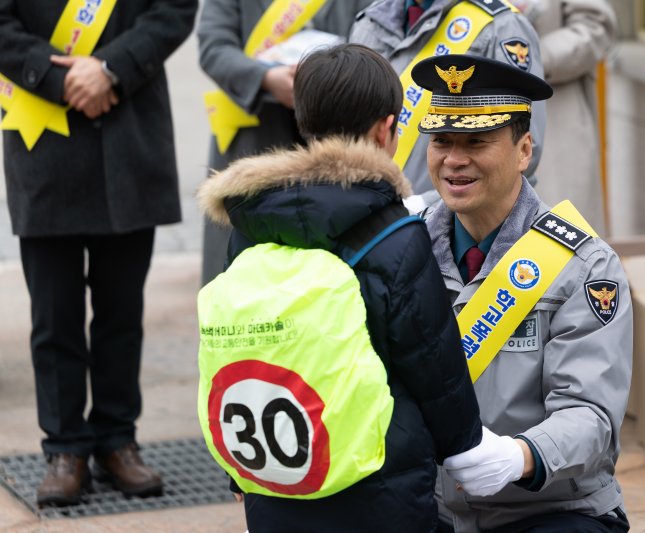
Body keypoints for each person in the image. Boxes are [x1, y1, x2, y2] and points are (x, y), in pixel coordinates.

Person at [196, 43, 482, 532]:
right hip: (378, 480)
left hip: (279, 474)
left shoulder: (251, 222)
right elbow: (432, 359)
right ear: (386, 130)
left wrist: (239, 472)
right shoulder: (394, 232)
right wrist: (463, 443)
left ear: (302, 122)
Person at [411, 54, 632, 532]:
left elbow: (590, 414)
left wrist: (521, 456)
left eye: (477, 141)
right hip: (432, 508)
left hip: (546, 508)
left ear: (524, 150)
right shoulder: (406, 248)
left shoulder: (583, 265)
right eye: (441, 140)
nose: (454, 160)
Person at [0, 0, 197, 507]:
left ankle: (116, 439)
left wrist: (110, 68)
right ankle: (65, 448)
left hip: (129, 129)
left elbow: (175, 10)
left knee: (121, 313)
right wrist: (59, 78)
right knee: (54, 316)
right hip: (44, 135)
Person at [197, 0, 373, 285]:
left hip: (337, 140)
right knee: (242, 273)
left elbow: (375, 37)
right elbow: (214, 47)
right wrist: (265, 78)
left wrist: (330, 80)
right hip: (255, 137)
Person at [349, 0, 547, 209]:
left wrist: (427, 205)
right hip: (371, 208)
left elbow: (525, 145)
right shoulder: (369, 21)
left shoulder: (500, 24)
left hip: (458, 217)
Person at [510, 0, 617, 235]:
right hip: (458, 115)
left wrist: (525, 57)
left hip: (555, 118)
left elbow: (595, 25)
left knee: (564, 239)